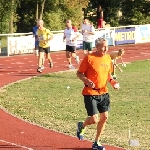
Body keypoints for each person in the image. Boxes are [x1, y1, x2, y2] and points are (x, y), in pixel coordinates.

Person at [76, 38, 120, 150]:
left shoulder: (107, 58)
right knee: (95, 119)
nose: (106, 49)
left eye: (107, 47)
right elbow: (79, 73)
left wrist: (113, 82)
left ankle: (96, 142)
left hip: (104, 92)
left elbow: (108, 74)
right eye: (103, 47)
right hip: (90, 92)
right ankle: (82, 125)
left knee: (104, 117)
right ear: (97, 47)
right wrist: (86, 80)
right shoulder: (89, 58)